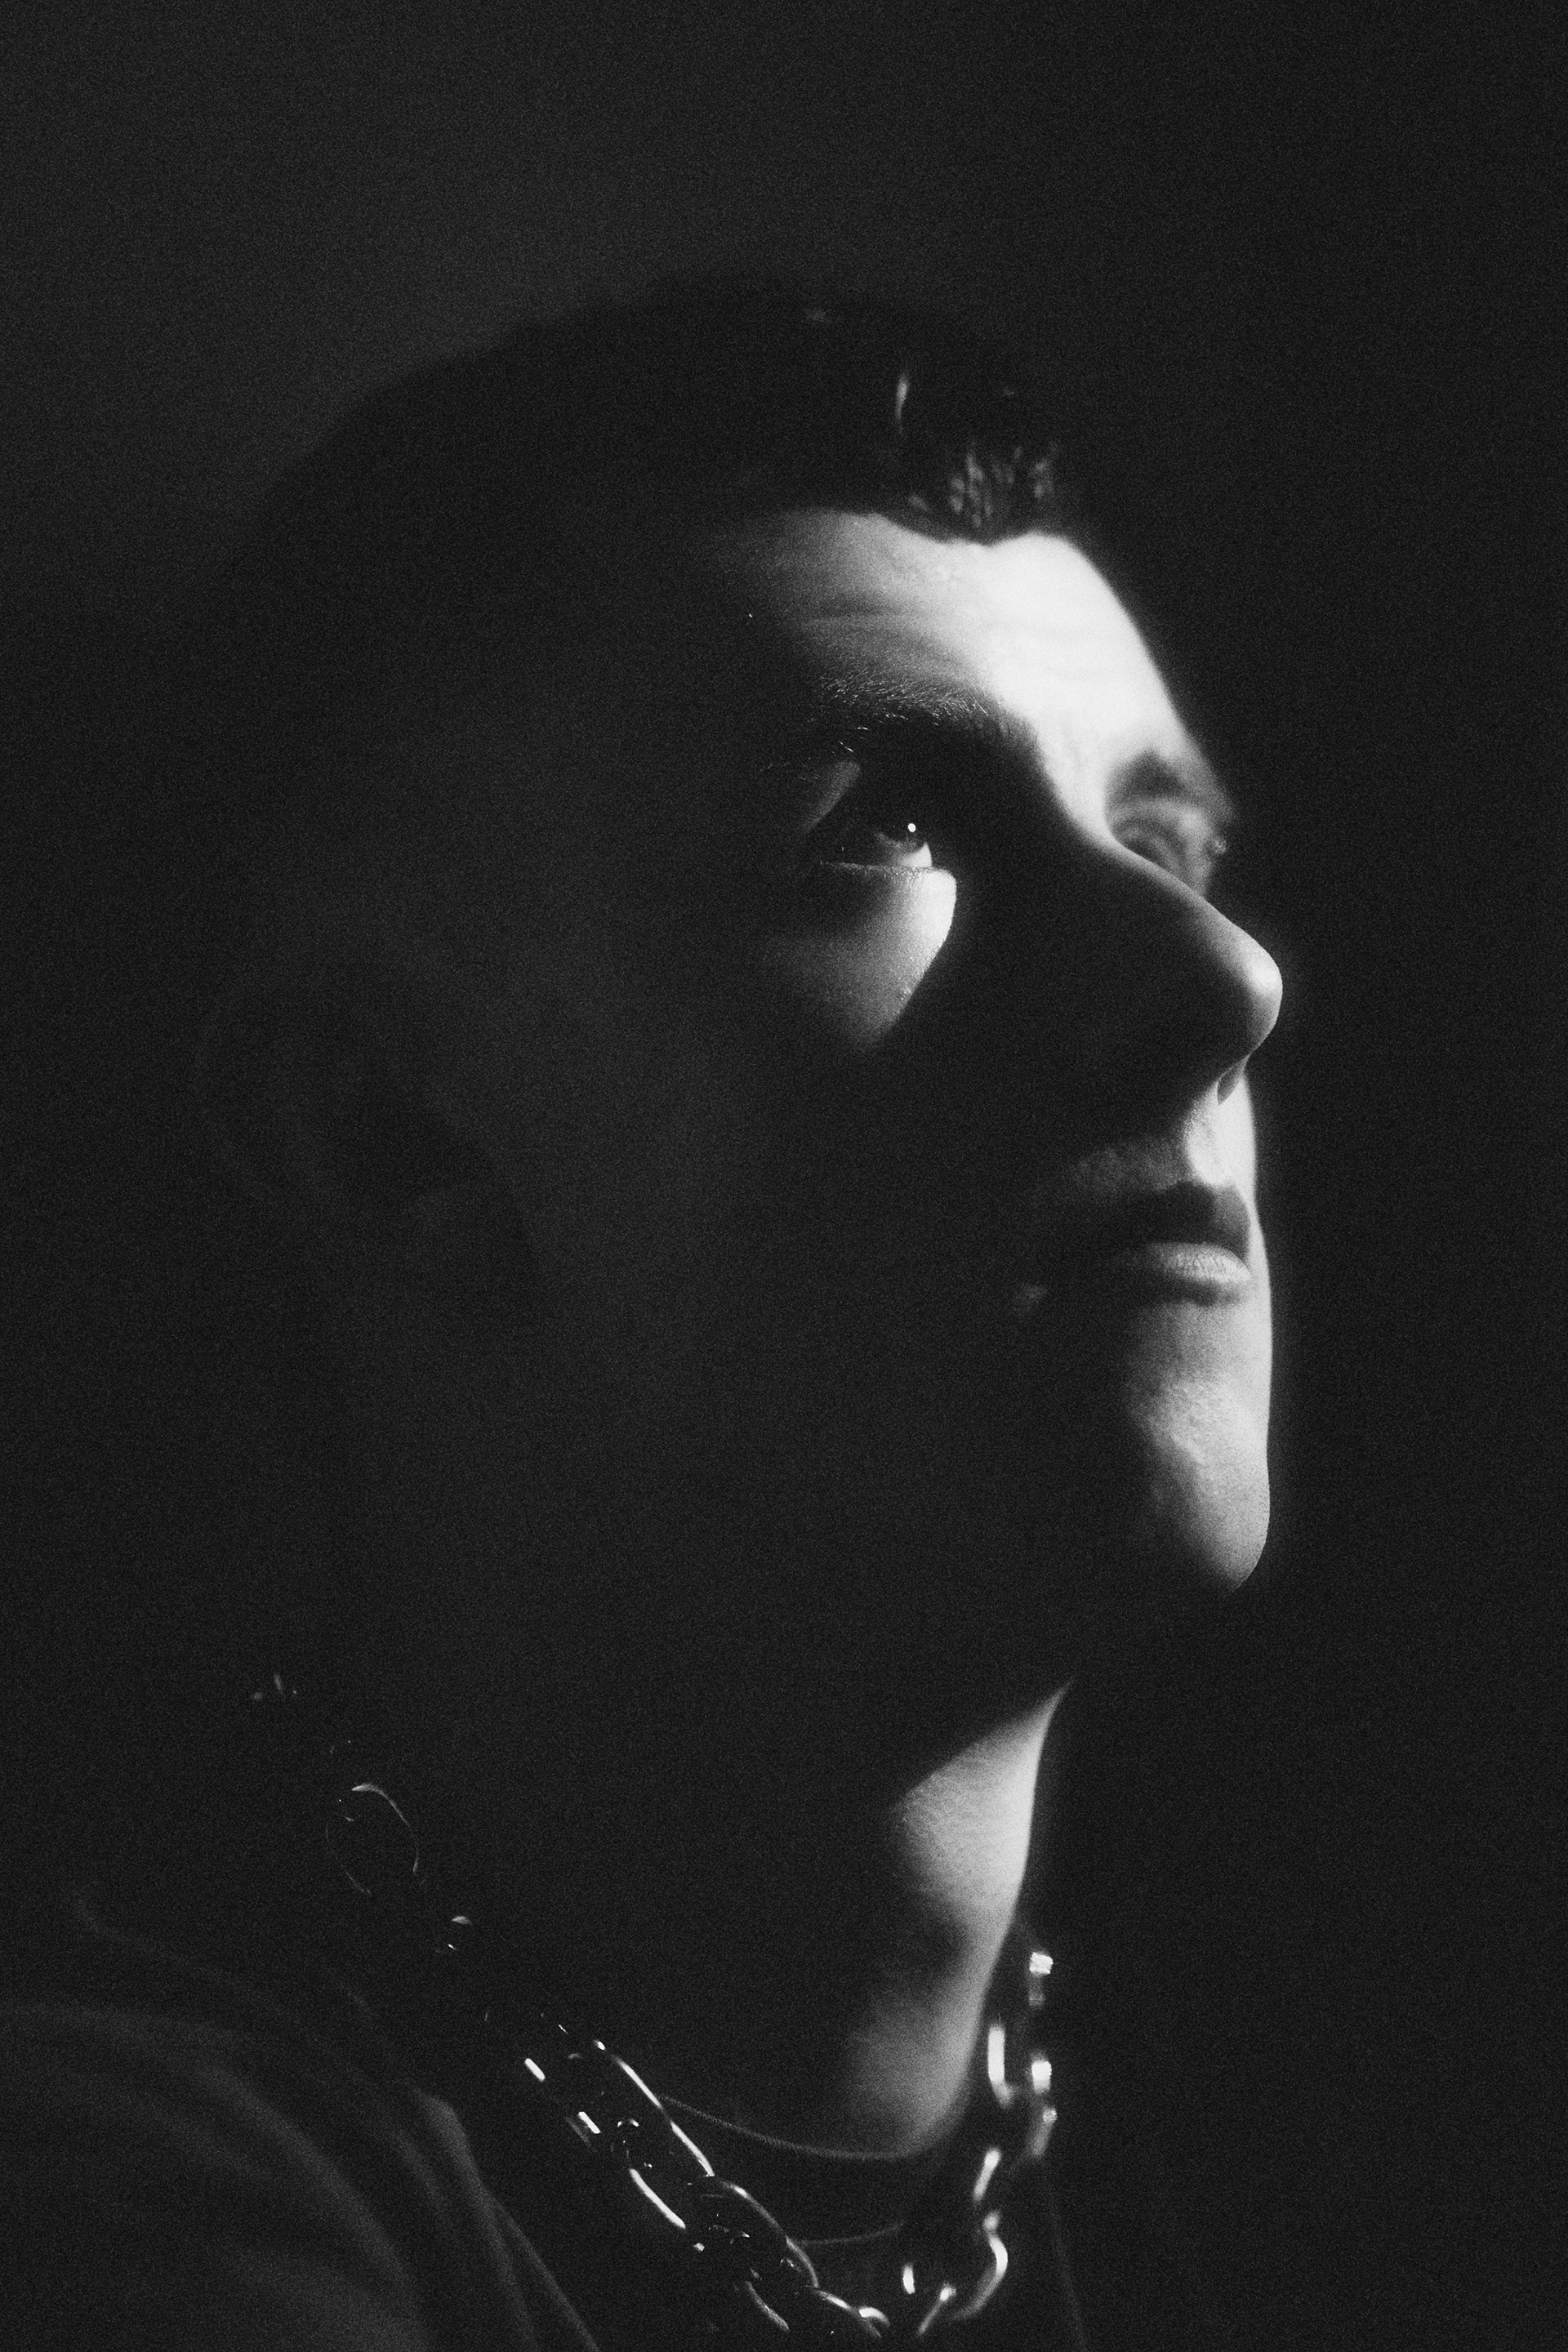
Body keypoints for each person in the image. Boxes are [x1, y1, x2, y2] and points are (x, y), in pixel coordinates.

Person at [2, 275, 1281, 2350]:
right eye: (893, 823)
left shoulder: (1316, 2135)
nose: (1222, 980)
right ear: (384, 1139)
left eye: (1164, 836)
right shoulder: (129, 2204)